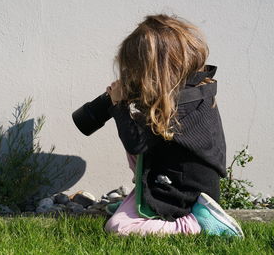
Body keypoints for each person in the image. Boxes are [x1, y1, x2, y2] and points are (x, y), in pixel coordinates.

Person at [103, 14, 244, 237]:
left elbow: (136, 144)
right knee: (138, 131)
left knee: (119, 227)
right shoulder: (192, 89)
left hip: (188, 193)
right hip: (181, 178)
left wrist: (119, 106)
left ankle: (197, 223)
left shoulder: (179, 105)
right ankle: (140, 201)